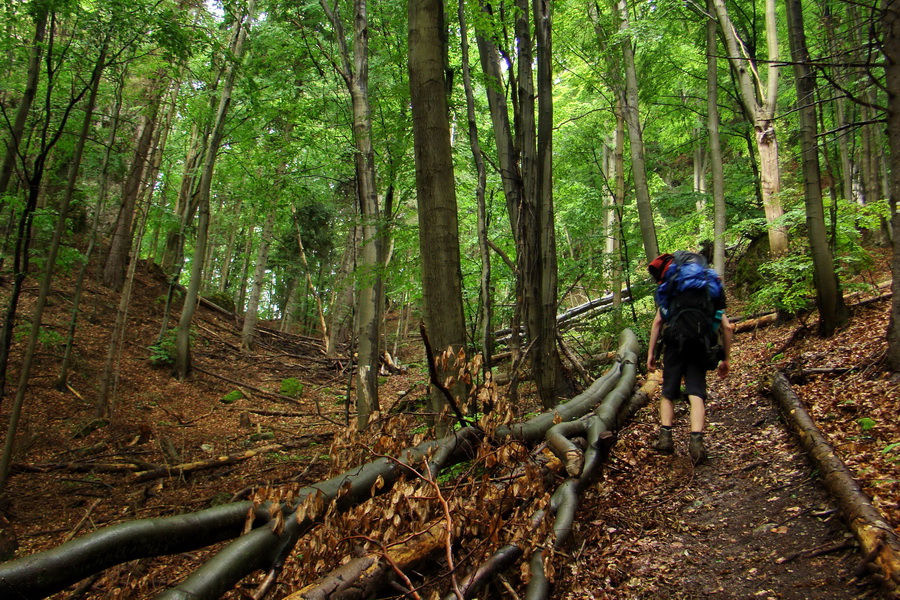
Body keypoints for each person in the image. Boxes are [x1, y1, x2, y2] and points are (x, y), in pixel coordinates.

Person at [646, 252, 733, 465]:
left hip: (674, 346)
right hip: (700, 346)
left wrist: (651, 354)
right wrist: (726, 358)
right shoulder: (707, 290)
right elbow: (727, 327)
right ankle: (696, 442)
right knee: (696, 392)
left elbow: (658, 322)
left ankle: (666, 438)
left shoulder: (673, 287)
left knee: (668, 392)